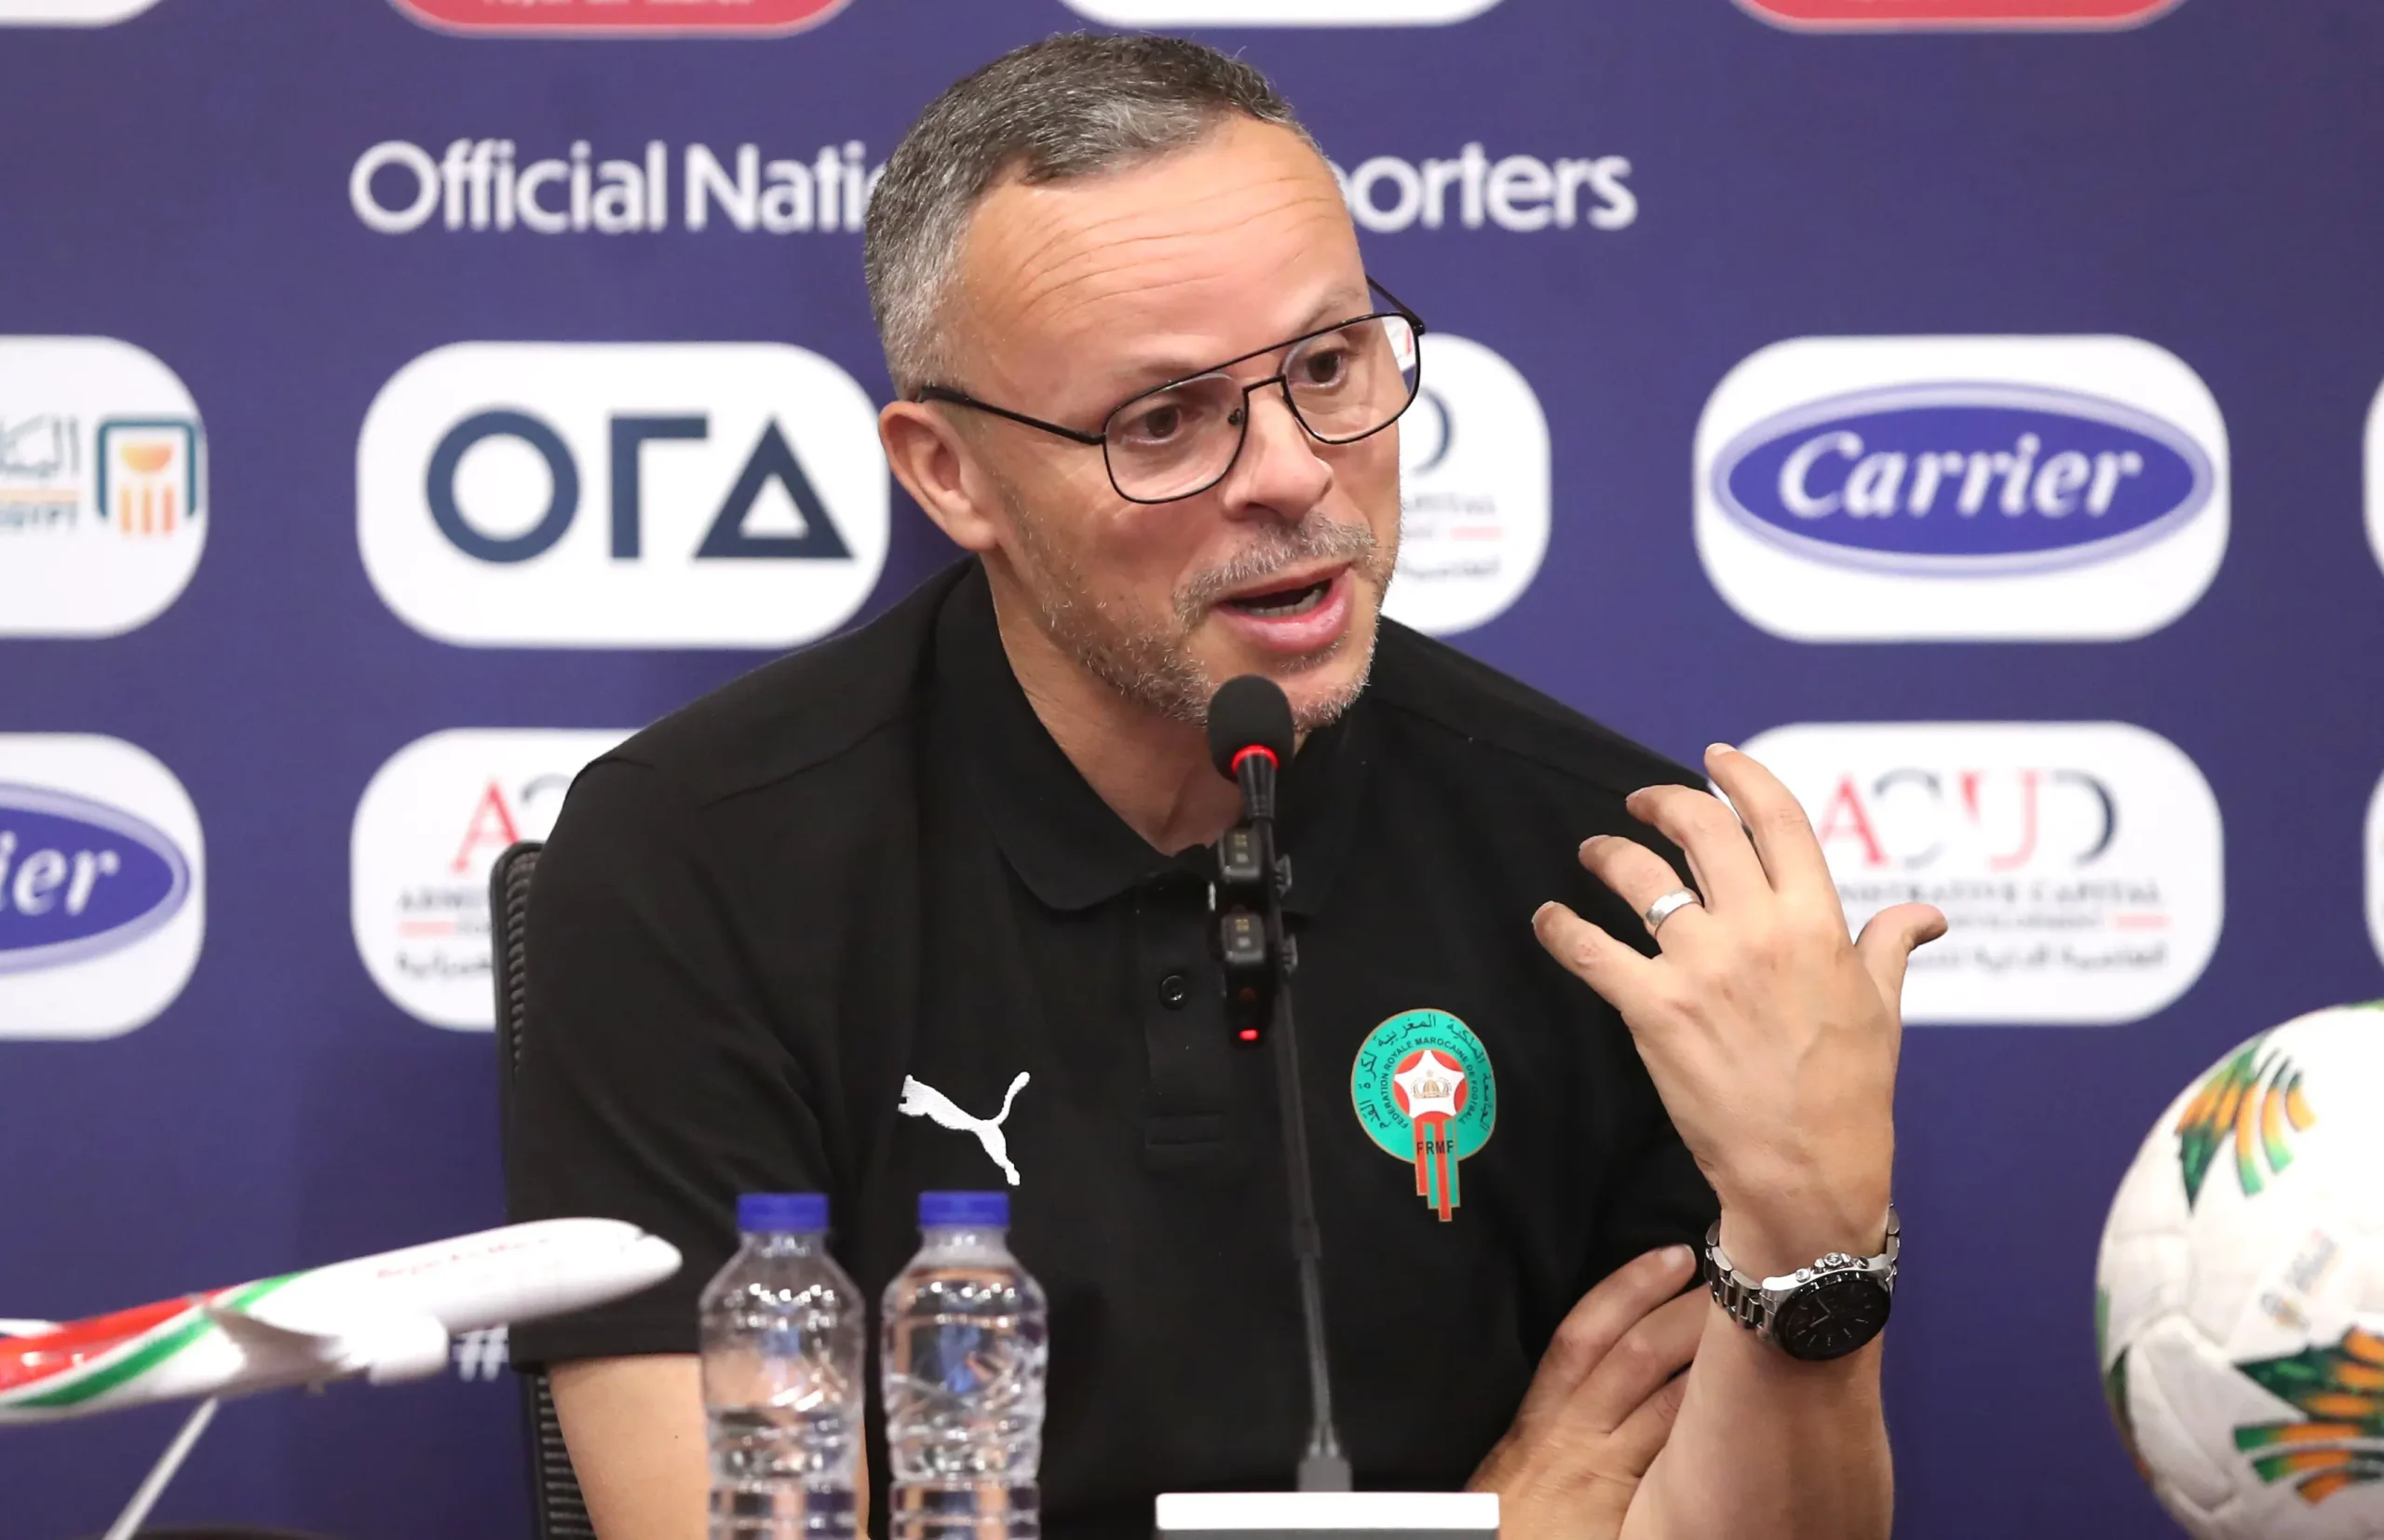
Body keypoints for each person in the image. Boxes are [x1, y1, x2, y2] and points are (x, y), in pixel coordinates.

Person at [507, 33, 1944, 1540]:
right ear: (950, 475)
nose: (1292, 472)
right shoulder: (697, 862)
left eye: (1327, 366)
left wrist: (1814, 1237)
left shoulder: (1612, 883)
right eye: (1163, 419)